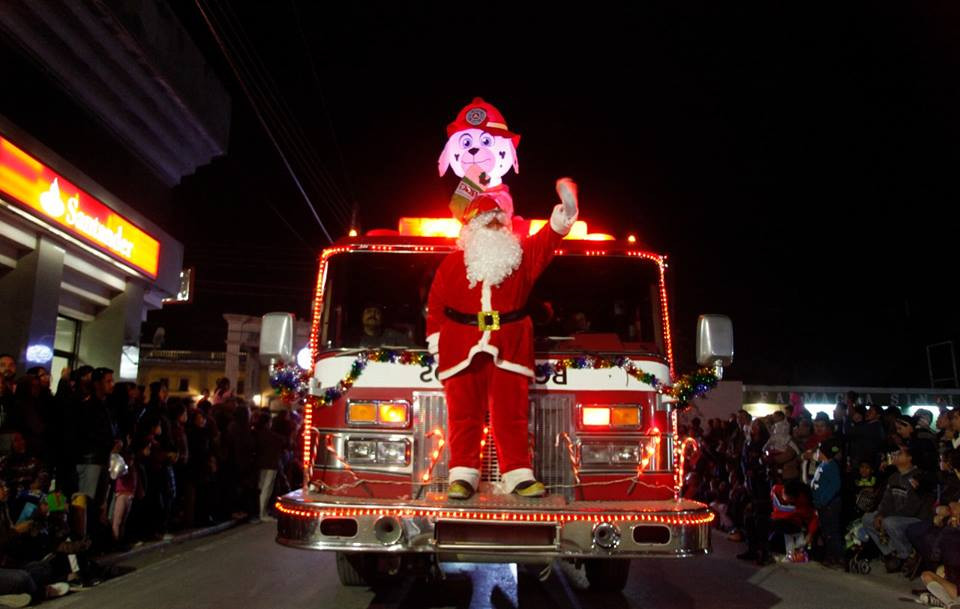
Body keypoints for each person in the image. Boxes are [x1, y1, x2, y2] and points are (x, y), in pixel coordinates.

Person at [426, 98, 579, 499]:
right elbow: (435, 303)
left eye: (499, 217)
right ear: (471, 224)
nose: (494, 221)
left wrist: (563, 216)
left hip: (511, 343)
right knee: (463, 414)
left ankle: (518, 474)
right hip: (460, 343)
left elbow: (548, 241)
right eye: (487, 217)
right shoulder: (452, 263)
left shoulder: (521, 256)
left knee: (511, 414)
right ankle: (463, 474)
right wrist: (435, 338)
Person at [861, 445, 934, 572]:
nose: (894, 455)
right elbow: (886, 500)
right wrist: (880, 514)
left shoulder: (917, 477)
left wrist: (885, 517)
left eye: (899, 453)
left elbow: (913, 508)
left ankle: (906, 554)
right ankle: (890, 552)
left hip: (914, 518)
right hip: (894, 515)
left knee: (889, 522)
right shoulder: (894, 477)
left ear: (909, 458)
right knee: (867, 518)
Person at [811, 437, 844, 567]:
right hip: (822, 504)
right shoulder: (822, 465)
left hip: (830, 504)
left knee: (832, 531)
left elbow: (835, 485)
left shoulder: (831, 466)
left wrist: (823, 499)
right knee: (826, 531)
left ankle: (838, 557)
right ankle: (831, 556)